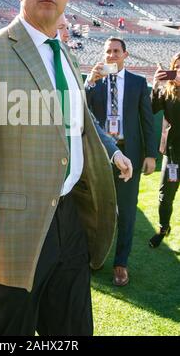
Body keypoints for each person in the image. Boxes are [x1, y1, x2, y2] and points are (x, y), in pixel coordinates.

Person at [0, 0, 133, 336]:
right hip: (13, 236)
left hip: (71, 222)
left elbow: (80, 123)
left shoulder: (65, 57)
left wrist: (112, 152)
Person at [85, 37, 157, 286]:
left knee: (126, 212)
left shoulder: (138, 82)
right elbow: (79, 110)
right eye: (108, 51)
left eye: (117, 51)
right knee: (95, 209)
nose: (112, 55)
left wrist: (150, 155)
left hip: (131, 153)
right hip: (101, 154)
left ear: (126, 55)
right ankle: (95, 257)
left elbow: (147, 120)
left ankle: (120, 264)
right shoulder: (95, 81)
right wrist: (88, 82)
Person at [149, 53, 180, 247]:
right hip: (174, 155)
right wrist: (156, 84)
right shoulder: (167, 91)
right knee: (165, 196)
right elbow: (152, 108)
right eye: (176, 66)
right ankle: (163, 227)